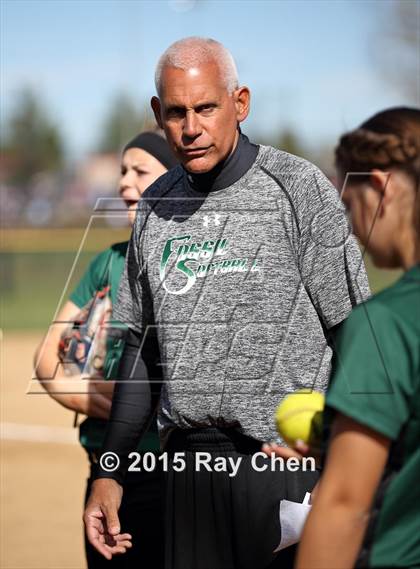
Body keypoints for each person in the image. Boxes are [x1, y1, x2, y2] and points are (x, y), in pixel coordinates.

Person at [84, 37, 371, 569]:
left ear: (240, 103)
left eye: (206, 108)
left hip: (286, 464)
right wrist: (109, 470)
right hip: (188, 471)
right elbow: (142, 356)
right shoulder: (154, 206)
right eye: (175, 113)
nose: (190, 128)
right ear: (158, 114)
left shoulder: (298, 189)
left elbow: (354, 333)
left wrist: (346, 456)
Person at [34, 129, 177, 569]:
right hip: (105, 466)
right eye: (121, 171)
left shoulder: (189, 262)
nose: (123, 181)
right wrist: (88, 398)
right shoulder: (108, 262)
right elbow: (45, 359)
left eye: (140, 170)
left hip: (169, 472)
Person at [293, 107, 420, 569]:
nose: (349, 224)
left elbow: (345, 506)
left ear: (381, 189)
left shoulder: (383, 323)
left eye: (350, 203)